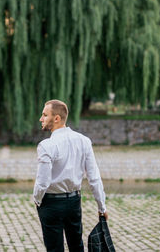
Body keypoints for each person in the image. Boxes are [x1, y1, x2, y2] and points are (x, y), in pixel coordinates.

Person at [33, 99, 108, 252]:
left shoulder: (46, 146)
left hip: (51, 203)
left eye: (44, 115)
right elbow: (94, 177)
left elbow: (43, 182)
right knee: (77, 247)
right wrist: (102, 207)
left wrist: (37, 199)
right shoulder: (84, 141)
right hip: (74, 202)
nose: (41, 119)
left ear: (56, 118)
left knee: (54, 249)